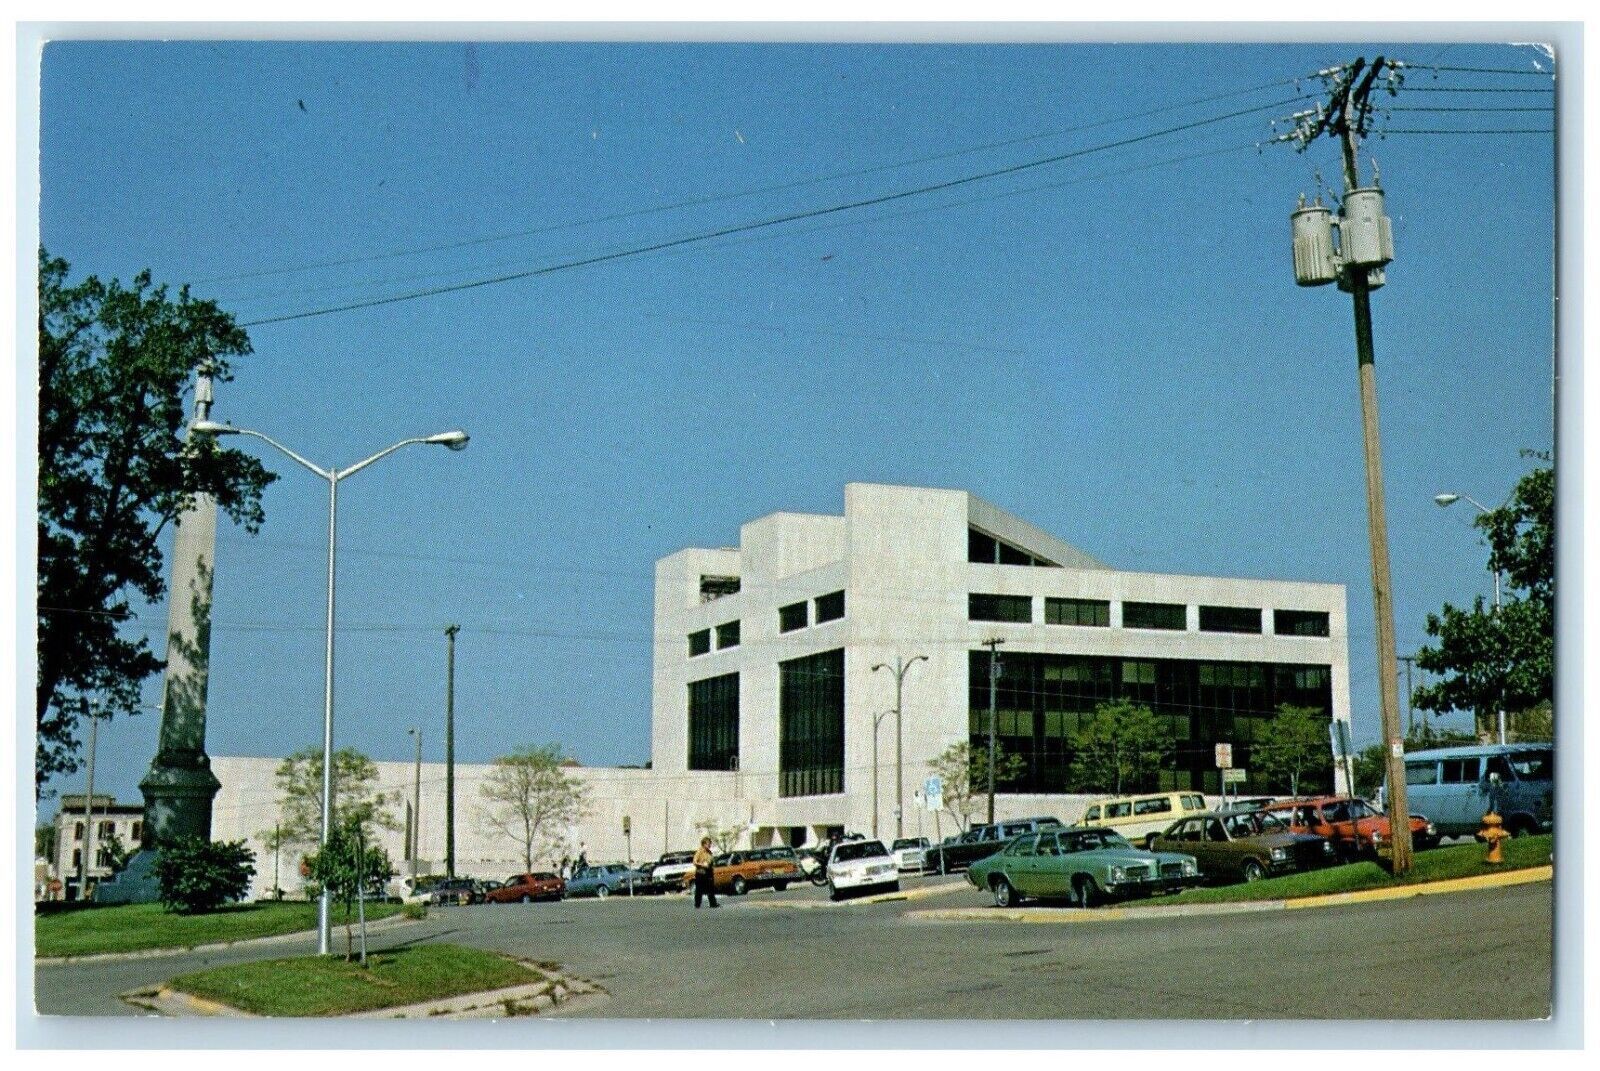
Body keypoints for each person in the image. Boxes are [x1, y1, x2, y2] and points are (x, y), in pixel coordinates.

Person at [692, 836, 719, 909]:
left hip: (708, 872)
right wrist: (702, 864)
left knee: (710, 888)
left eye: (710, 844)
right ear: (704, 844)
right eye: (708, 844)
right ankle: (697, 904)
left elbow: (711, 861)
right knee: (699, 889)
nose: (710, 845)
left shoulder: (709, 852)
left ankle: (713, 903)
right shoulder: (699, 851)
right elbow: (694, 862)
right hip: (701, 873)